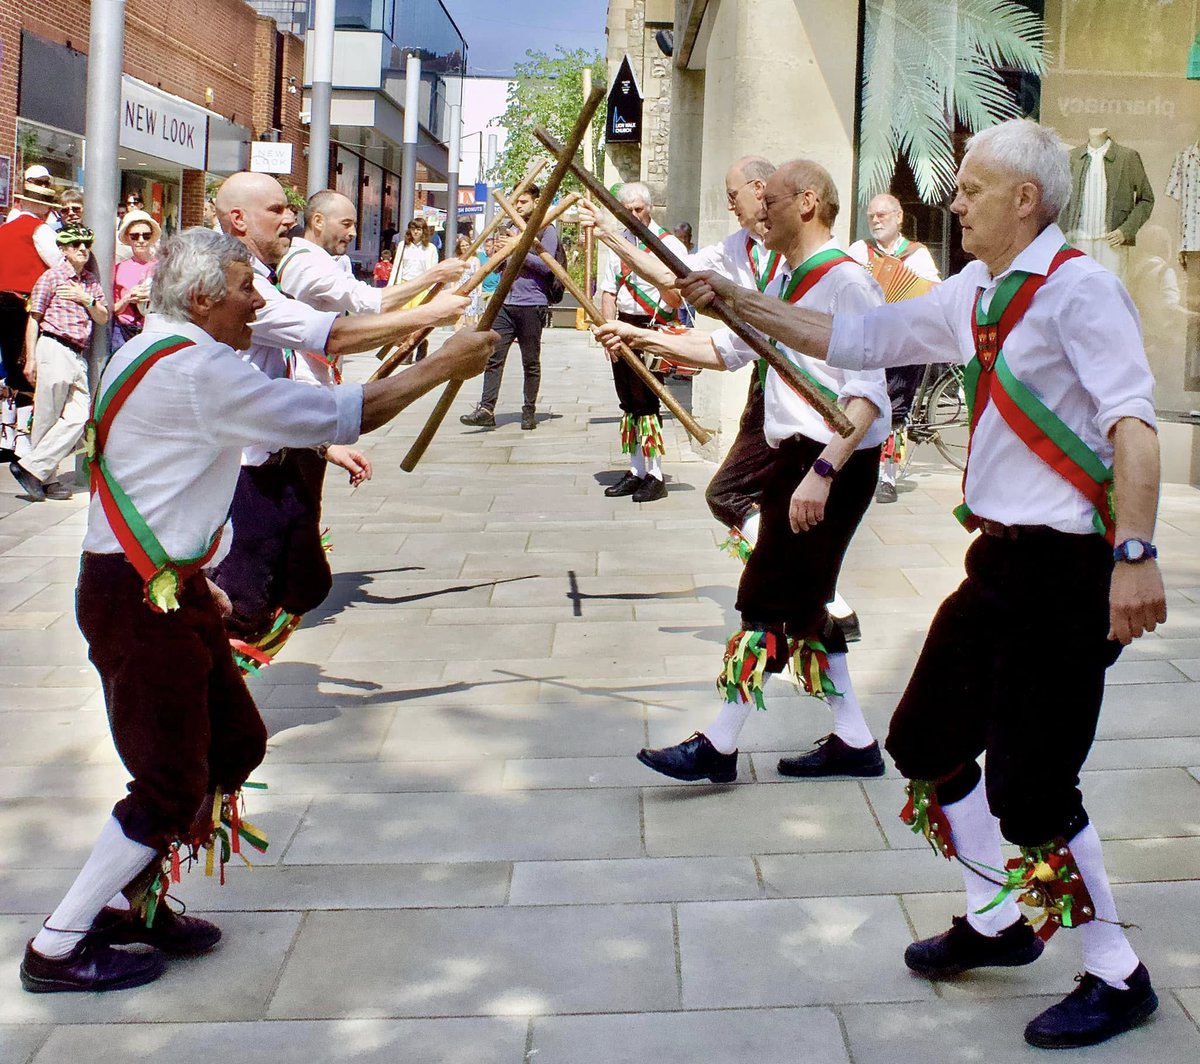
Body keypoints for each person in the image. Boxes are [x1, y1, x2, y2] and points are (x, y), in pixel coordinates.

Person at [678, 118, 1165, 1051]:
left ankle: (1118, 975)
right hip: (998, 565)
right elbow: (852, 331)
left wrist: (1135, 556)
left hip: (1070, 573)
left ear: (1026, 198)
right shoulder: (977, 291)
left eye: (972, 188)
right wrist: (736, 302)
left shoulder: (1083, 291)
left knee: (1034, 787)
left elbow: (1133, 426)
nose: (955, 202)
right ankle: (998, 918)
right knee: (925, 740)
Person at [18, 226, 496, 995]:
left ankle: (133, 902)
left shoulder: (152, 347)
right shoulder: (198, 367)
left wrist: (192, 572)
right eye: (246, 291)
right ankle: (60, 943)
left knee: (234, 743)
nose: (257, 305)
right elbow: (344, 413)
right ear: (202, 298)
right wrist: (444, 365)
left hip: (164, 584)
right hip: (137, 597)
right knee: (171, 780)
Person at [597, 159, 889, 780]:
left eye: (771, 202)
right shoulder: (785, 278)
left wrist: (823, 474)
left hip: (830, 464)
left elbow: (867, 397)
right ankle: (855, 741)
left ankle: (720, 745)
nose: (760, 213)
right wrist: (640, 337)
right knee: (804, 605)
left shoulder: (848, 284)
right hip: (796, 457)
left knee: (765, 600)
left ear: (806, 203)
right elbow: (726, 348)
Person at [208, 172, 467, 644]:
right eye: (276, 210)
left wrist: (322, 444)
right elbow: (337, 331)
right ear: (238, 219)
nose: (289, 218)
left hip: (281, 437)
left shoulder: (261, 273)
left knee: (303, 581)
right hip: (245, 462)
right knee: (248, 598)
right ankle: (218, 665)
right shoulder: (238, 281)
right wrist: (433, 318)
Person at [590, 182, 685, 501]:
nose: (632, 215)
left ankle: (655, 474)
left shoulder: (669, 244)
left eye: (638, 209)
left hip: (653, 327)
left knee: (647, 401)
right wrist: (608, 332)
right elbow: (608, 291)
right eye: (626, 210)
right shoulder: (618, 243)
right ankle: (636, 470)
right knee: (628, 401)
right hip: (623, 326)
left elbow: (676, 299)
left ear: (649, 208)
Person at [847, 194, 942, 503]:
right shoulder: (859, 252)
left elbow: (933, 292)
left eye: (882, 215)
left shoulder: (917, 255)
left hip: (903, 345)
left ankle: (887, 477)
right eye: (871, 216)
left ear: (899, 217)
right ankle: (857, 468)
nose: (875, 221)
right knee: (860, 404)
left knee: (896, 413)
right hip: (868, 342)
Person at [9, 223, 109, 502]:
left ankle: (32, 468)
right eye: (75, 244)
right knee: (47, 416)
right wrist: (31, 358)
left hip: (77, 352)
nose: (82, 249)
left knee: (80, 416)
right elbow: (34, 318)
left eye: (86, 244)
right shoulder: (51, 277)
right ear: (63, 249)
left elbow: (103, 317)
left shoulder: (90, 281)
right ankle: (47, 479)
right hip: (54, 346)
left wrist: (87, 300)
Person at [459, 184, 559, 432]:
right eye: (516, 202)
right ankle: (486, 409)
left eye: (523, 201)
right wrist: (498, 255)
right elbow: (498, 267)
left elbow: (547, 266)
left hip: (532, 303)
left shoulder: (546, 229)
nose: (518, 206)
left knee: (530, 361)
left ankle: (528, 411)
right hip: (505, 301)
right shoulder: (510, 228)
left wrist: (517, 249)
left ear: (536, 201)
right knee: (493, 356)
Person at [0, 176, 64, 464]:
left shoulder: (5, 229)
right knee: (26, 366)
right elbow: (58, 264)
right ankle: (22, 441)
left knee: (9, 366)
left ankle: (7, 435)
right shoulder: (40, 230)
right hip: (22, 304)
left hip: (2, 300)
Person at [111, 210, 162, 352]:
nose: (141, 240)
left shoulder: (163, 268)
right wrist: (128, 298)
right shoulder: (118, 268)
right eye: (135, 236)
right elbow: (112, 309)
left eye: (146, 235)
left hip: (152, 331)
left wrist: (153, 296)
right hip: (123, 332)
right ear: (128, 238)